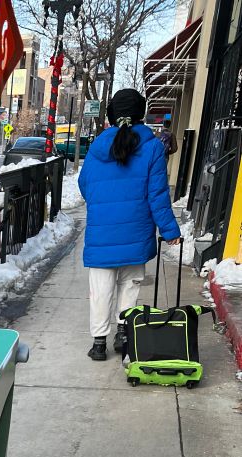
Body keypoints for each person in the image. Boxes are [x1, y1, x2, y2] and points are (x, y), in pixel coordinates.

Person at [78, 88, 181, 361]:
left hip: (101, 234)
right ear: (141, 114)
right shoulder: (153, 148)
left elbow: (85, 186)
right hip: (136, 231)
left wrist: (103, 206)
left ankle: (98, 343)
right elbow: (157, 195)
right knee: (130, 283)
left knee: (100, 289)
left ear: (111, 116)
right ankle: (124, 332)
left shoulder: (97, 148)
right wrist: (170, 231)